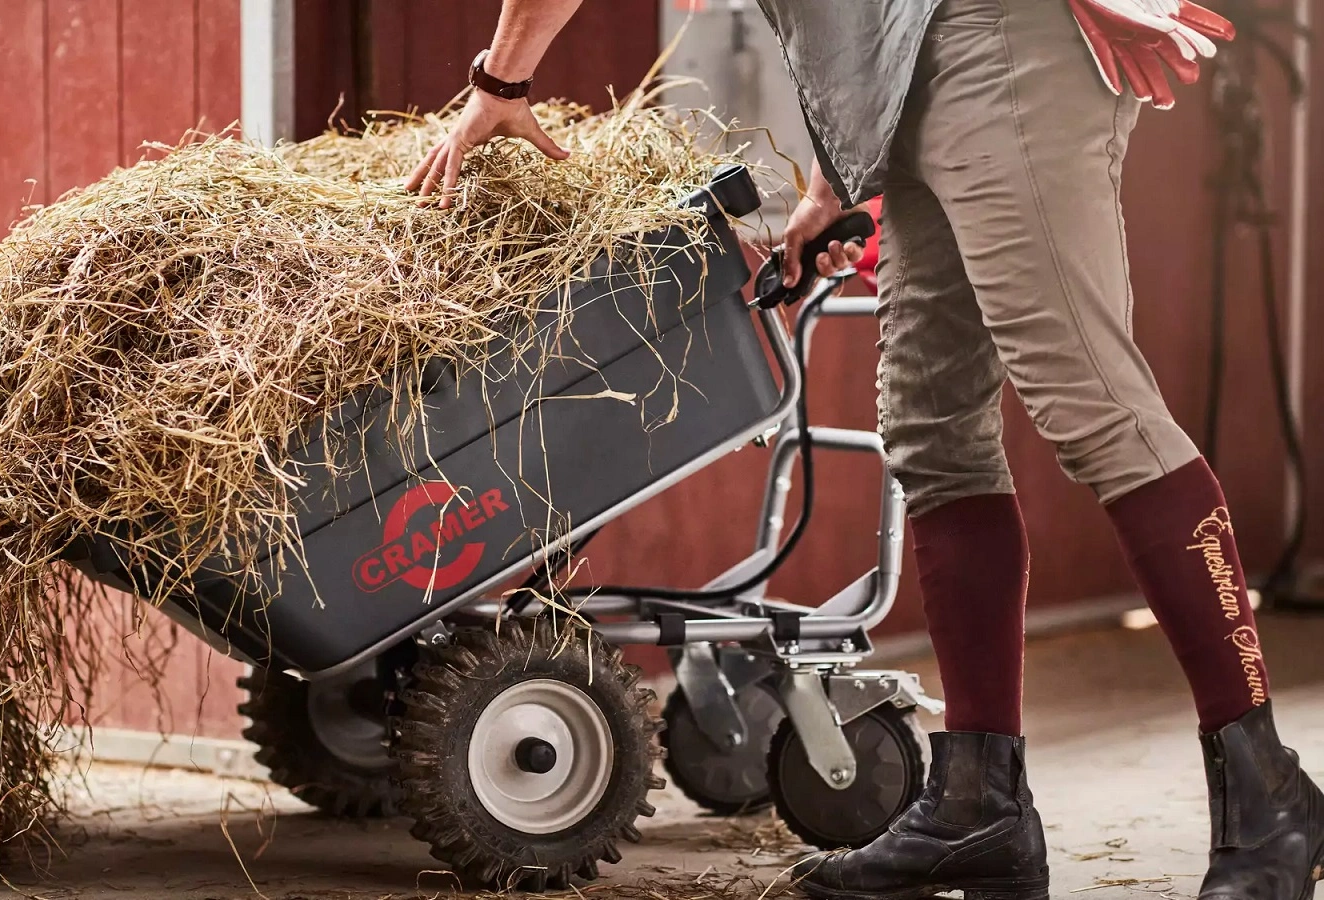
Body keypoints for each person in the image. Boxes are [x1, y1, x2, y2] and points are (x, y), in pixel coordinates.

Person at [406, 1, 1322, 899]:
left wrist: (500, 80)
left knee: (1091, 406)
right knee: (933, 430)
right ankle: (979, 804)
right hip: (922, 67)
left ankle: (1266, 790)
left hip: (997, 38)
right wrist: (824, 190)